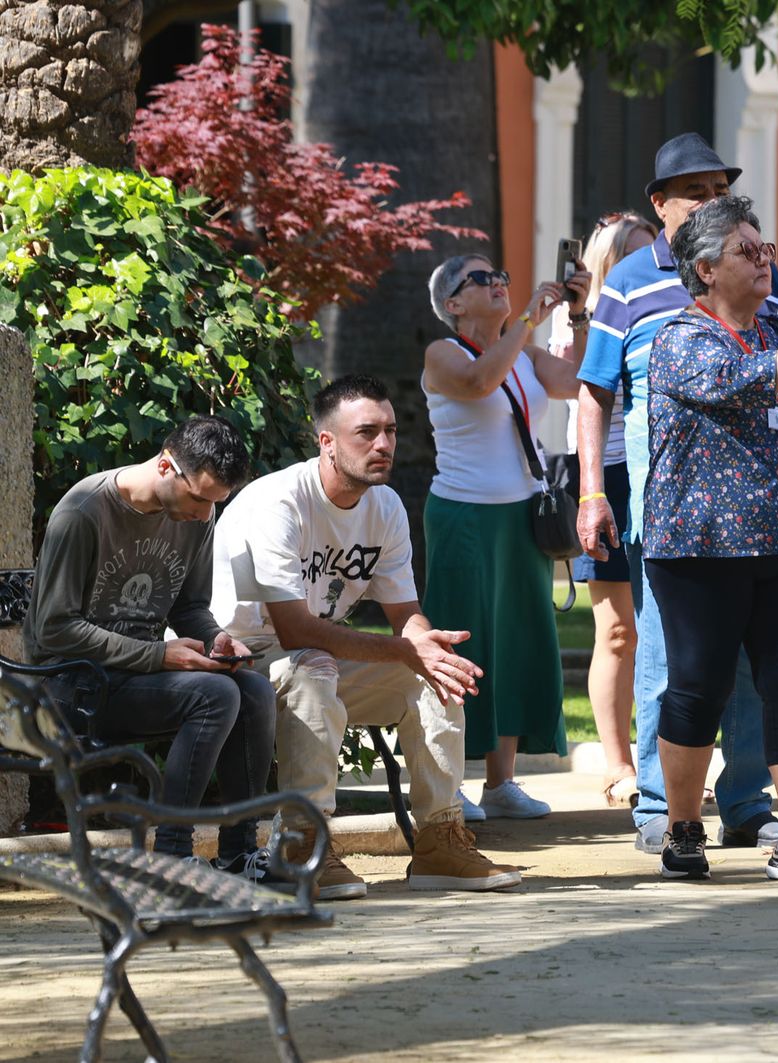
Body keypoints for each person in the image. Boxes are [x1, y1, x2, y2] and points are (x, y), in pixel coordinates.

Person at [212, 376, 522, 900]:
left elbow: (405, 613)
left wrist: (425, 647)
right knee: (315, 667)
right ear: (326, 442)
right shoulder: (278, 504)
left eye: (391, 432)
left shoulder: (386, 507)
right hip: (241, 662)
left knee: (433, 675)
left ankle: (439, 841)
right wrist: (405, 648)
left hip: (315, 658)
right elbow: (294, 629)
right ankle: (301, 844)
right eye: (366, 433)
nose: (383, 445)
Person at [575, 133, 778, 854]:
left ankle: (746, 801)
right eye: (695, 191)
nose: (711, 200)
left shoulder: (761, 265)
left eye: (719, 188)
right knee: (670, 655)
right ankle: (659, 807)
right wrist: (590, 493)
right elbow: (594, 392)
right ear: (659, 204)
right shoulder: (631, 279)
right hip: (671, 496)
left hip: (759, 494)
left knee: (757, 661)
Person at [645, 194, 778, 882]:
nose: (766, 261)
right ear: (705, 268)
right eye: (748, 251)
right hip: (698, 548)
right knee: (698, 688)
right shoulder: (681, 337)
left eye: (767, 250)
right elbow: (735, 382)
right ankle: (681, 827)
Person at [24, 417, 278, 878]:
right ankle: (171, 856)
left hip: (134, 677)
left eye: (215, 503)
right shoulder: (83, 511)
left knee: (254, 691)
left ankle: (240, 854)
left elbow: (190, 607)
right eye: (199, 498)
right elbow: (53, 630)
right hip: (68, 685)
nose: (205, 514)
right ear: (166, 466)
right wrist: (158, 656)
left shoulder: (198, 516)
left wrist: (216, 638)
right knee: (214, 696)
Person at [421, 253, 588, 822]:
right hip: (464, 516)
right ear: (454, 303)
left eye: (502, 276)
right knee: (463, 645)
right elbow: (477, 381)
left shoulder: (525, 350)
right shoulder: (444, 353)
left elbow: (578, 381)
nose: (498, 283)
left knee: (516, 643)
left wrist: (579, 312)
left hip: (521, 515)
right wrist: (526, 324)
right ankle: (449, 783)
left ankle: (502, 784)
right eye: (481, 280)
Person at [560, 212, 658, 808]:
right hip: (605, 475)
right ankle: (618, 763)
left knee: (660, 629)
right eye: (636, 256)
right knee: (617, 630)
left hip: (659, 469)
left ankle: (659, 760)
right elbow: (571, 380)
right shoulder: (583, 317)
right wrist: (577, 315)